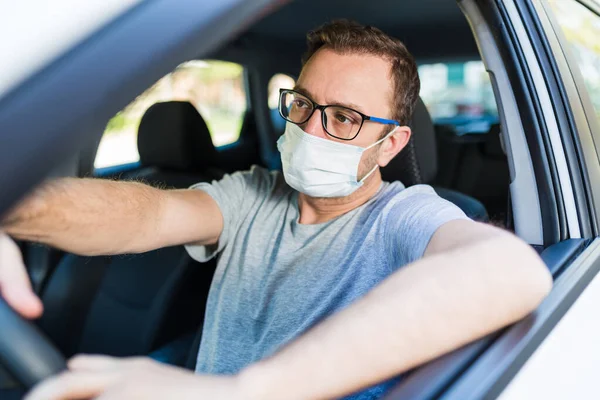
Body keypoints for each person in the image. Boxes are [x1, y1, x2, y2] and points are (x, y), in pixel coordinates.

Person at [0, 20, 552, 400]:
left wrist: (244, 392)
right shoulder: (253, 193)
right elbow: (147, 216)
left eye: (345, 118)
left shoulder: (404, 217)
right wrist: (14, 207)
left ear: (390, 145)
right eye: (305, 104)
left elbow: (509, 269)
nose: (311, 127)